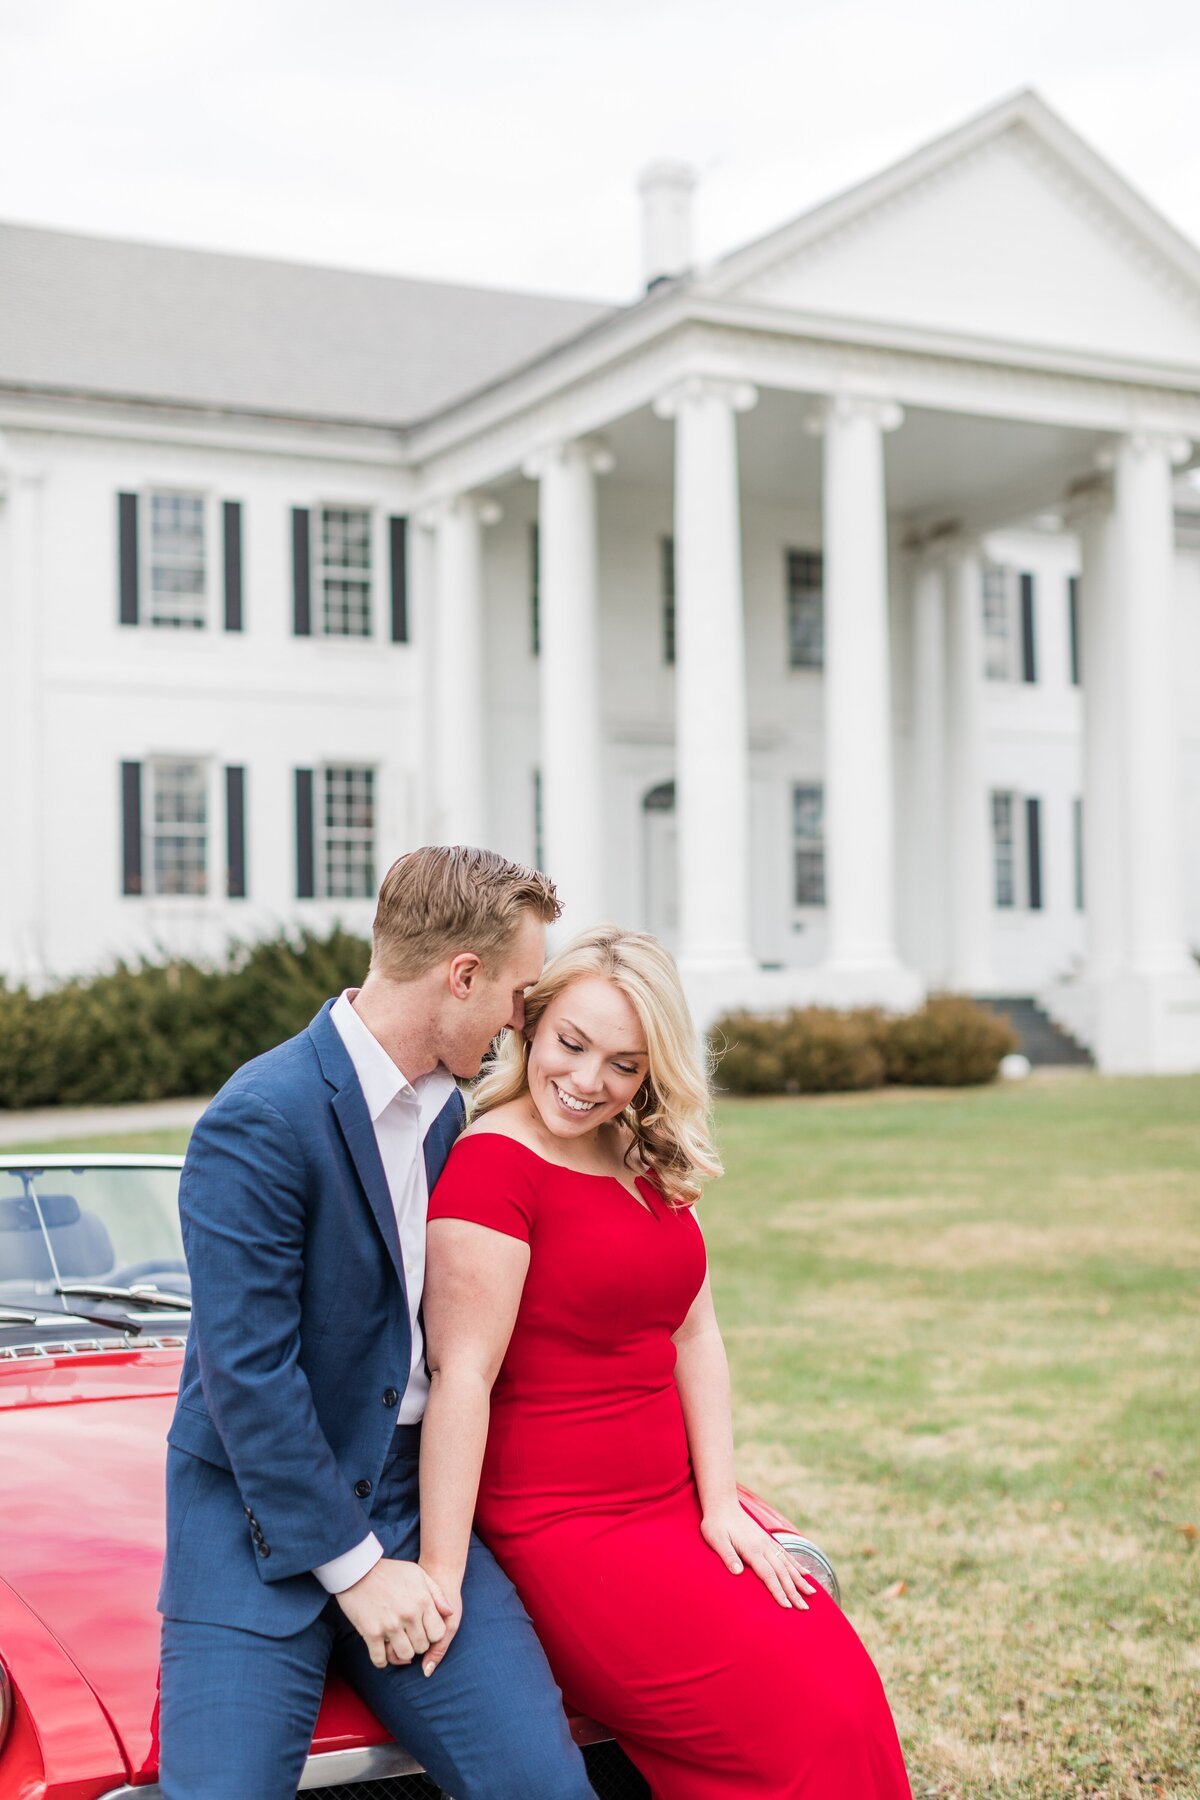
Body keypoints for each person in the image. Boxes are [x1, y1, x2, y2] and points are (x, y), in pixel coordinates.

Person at [419, 925, 913, 1798]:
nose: (588, 1082)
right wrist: (444, 1575)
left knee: (842, 1698)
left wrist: (721, 1503)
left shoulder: (637, 1152)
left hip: (675, 1508)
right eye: (572, 1045)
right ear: (530, 1024)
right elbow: (466, 1378)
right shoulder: (492, 1167)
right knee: (786, 1733)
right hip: (567, 1531)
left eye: (624, 1063)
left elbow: (694, 1334)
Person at [157, 846, 596, 1800]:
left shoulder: (455, 1119)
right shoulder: (259, 1118)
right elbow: (247, 1377)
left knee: (546, 1787)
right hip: (250, 1519)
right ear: (462, 975)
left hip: (412, 1501)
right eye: (518, 994)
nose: (521, 1021)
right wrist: (356, 1572)